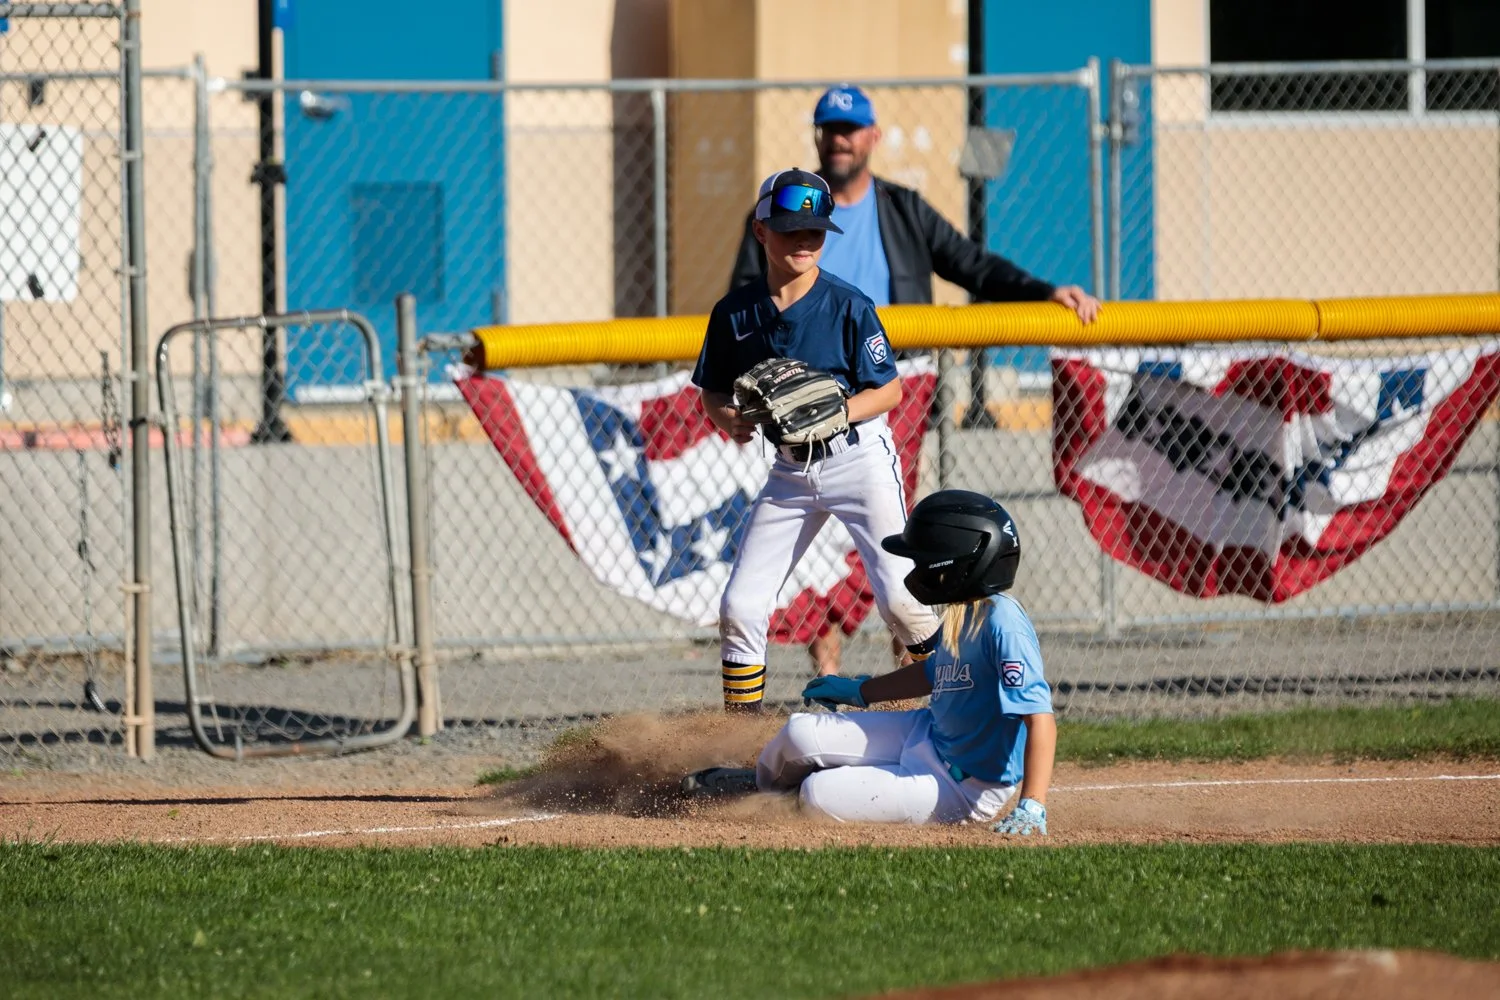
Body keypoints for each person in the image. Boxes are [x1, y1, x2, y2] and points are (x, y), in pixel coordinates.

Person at [728, 84, 1101, 678]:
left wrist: (1043, 291)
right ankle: (828, 676)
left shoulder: (899, 208)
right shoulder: (781, 218)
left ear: (873, 136)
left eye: (851, 128)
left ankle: (912, 682)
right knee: (819, 554)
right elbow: (743, 309)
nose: (840, 138)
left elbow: (970, 263)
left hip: (889, 388)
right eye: (829, 127)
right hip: (802, 408)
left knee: (893, 549)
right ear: (818, 136)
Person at [692, 167, 943, 714]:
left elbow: (890, 391)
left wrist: (835, 413)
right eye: (790, 229)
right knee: (741, 604)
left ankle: (958, 700)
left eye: (815, 230)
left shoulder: (848, 305)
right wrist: (726, 419)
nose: (805, 240)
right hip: (789, 471)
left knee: (901, 598)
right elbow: (711, 391)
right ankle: (739, 741)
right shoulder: (734, 314)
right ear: (761, 232)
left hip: (857, 459)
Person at [682, 490, 1055, 835]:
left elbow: (1040, 719)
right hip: (928, 732)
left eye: (927, 561)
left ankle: (779, 800)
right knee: (799, 732)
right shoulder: (965, 613)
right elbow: (931, 674)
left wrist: (1032, 804)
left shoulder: (1003, 622)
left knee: (819, 794)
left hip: (966, 786)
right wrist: (859, 690)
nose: (918, 569)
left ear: (959, 566)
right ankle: (761, 783)